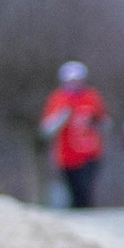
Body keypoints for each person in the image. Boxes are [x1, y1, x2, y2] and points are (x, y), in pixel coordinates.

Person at [38, 62, 107, 208]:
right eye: (71, 81)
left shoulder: (91, 97)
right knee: (73, 192)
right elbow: (46, 129)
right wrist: (62, 117)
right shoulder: (58, 98)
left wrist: (94, 121)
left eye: (78, 80)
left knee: (85, 189)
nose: (75, 84)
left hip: (90, 153)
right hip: (66, 155)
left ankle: (89, 218)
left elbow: (105, 122)